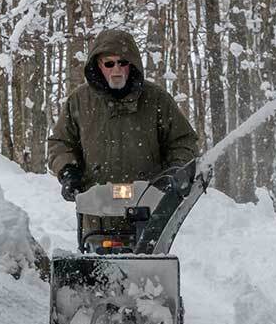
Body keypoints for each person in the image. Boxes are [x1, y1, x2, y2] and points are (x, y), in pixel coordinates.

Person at [48, 29, 199, 207]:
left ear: (132, 64)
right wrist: (68, 171)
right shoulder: (79, 101)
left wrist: (175, 171)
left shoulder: (157, 99)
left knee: (146, 236)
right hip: (96, 207)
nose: (117, 70)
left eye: (123, 62)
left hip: (148, 206)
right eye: (109, 64)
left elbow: (182, 141)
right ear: (98, 65)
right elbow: (60, 142)